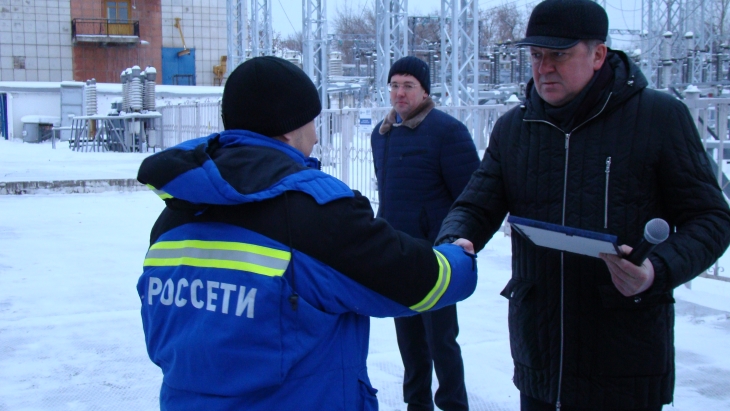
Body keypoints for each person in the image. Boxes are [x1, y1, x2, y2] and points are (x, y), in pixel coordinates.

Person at [136, 56, 478, 411]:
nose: (316, 134)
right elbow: (420, 281)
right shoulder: (317, 215)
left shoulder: (172, 219)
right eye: (311, 121)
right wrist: (459, 258)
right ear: (288, 129)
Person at [436, 0, 730, 410]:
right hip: (540, 359)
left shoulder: (659, 119)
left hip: (622, 361)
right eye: (537, 56)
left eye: (559, 54)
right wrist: (456, 240)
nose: (544, 68)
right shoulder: (515, 129)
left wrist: (655, 270)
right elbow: (476, 205)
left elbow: (712, 218)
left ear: (598, 55)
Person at [371, 56, 480, 411]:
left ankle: (453, 404)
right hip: (399, 253)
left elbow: (472, 195)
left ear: (425, 91)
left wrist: (456, 240)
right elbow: (389, 193)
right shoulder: (382, 134)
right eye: (395, 85)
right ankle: (416, 404)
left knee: (441, 341)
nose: (399, 93)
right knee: (409, 341)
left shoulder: (447, 132)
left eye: (408, 86)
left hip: (437, 257)